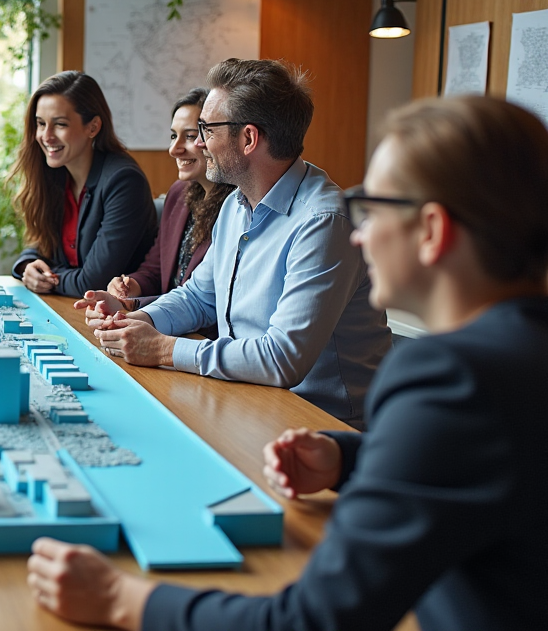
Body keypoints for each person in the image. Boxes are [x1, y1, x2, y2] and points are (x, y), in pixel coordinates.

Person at [27, 95, 548, 631]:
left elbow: (311, 620)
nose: (360, 232)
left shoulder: (453, 381)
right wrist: (350, 460)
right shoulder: (515, 356)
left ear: (433, 231)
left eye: (371, 207)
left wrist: (120, 598)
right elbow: (486, 462)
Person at [89, 59, 390, 427]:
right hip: (249, 400)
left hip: (325, 425)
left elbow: (283, 358)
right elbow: (199, 296)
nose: (199, 143)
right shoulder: (236, 203)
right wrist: (133, 321)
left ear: (248, 139)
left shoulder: (324, 222)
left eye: (206, 129)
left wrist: (163, 348)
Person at [74, 88, 233, 334]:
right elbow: (156, 269)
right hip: (164, 327)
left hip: (201, 339)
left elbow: (201, 301)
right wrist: (129, 289)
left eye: (190, 136)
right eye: (173, 136)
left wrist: (134, 308)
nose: (174, 149)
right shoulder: (179, 194)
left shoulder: (237, 208)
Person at [12, 71, 158, 297]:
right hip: (69, 307)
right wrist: (28, 265)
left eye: (60, 124)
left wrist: (49, 278)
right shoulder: (55, 173)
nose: (46, 136)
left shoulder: (124, 181)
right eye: (41, 124)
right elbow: (41, 244)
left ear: (93, 127)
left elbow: (94, 281)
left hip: (117, 318)